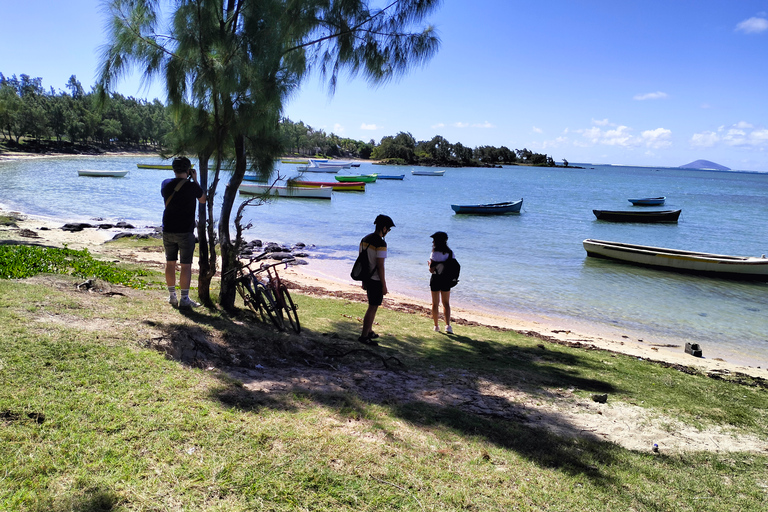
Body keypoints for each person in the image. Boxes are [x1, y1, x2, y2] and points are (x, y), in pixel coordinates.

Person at [161, 157, 206, 308]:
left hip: (168, 228)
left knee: (170, 262)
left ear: (174, 170)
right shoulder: (192, 186)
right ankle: (184, 298)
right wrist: (195, 180)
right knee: (185, 265)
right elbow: (203, 199)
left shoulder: (165, 184)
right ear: (188, 170)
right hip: (185, 230)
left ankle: (172, 296)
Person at [357, 214, 395, 345]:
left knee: (372, 305)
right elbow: (380, 266)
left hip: (367, 278)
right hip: (376, 280)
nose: (388, 232)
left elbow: (362, 261)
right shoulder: (381, 243)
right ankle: (364, 336)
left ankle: (369, 331)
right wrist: (384, 285)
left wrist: (363, 280)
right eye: (388, 229)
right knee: (372, 307)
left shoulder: (364, 239)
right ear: (384, 228)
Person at [428, 231, 453, 333]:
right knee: (446, 303)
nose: (432, 242)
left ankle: (436, 326)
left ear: (437, 241)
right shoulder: (450, 253)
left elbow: (432, 270)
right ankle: (448, 326)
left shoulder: (434, 253)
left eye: (434, 240)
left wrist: (429, 265)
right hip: (446, 279)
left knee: (435, 303)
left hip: (436, 279)